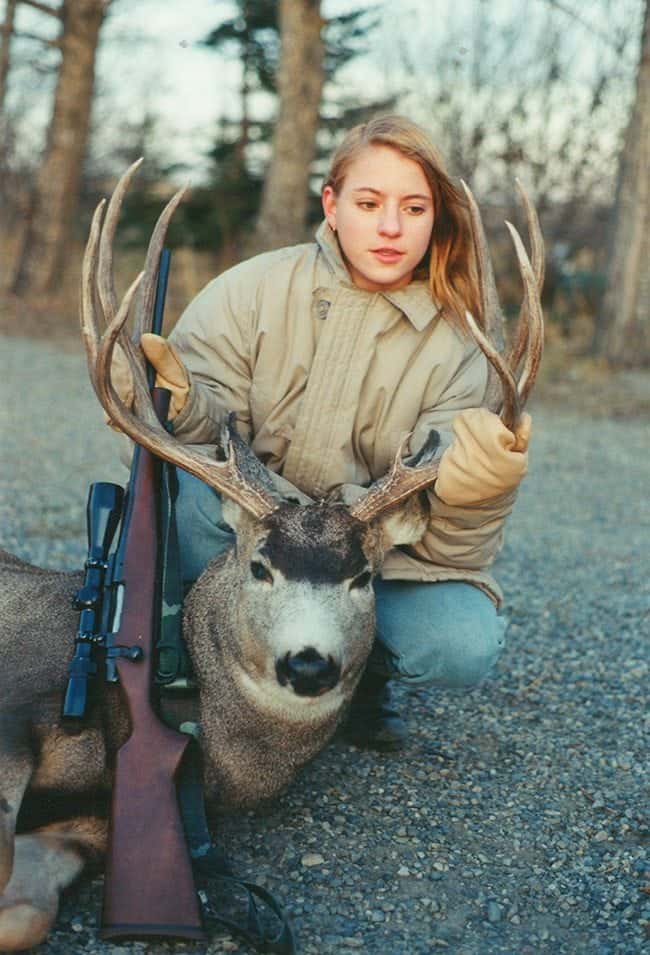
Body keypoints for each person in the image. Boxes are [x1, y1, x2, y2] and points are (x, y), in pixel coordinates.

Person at [118, 114, 531, 750]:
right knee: (184, 504)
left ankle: (358, 678)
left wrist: (477, 496)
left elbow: (452, 553)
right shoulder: (253, 290)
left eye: (414, 208)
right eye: (369, 203)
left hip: (367, 556)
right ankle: (200, 660)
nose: (390, 227)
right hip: (255, 530)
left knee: (459, 643)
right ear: (332, 205)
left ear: (437, 218)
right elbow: (200, 440)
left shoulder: (466, 347)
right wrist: (176, 403)